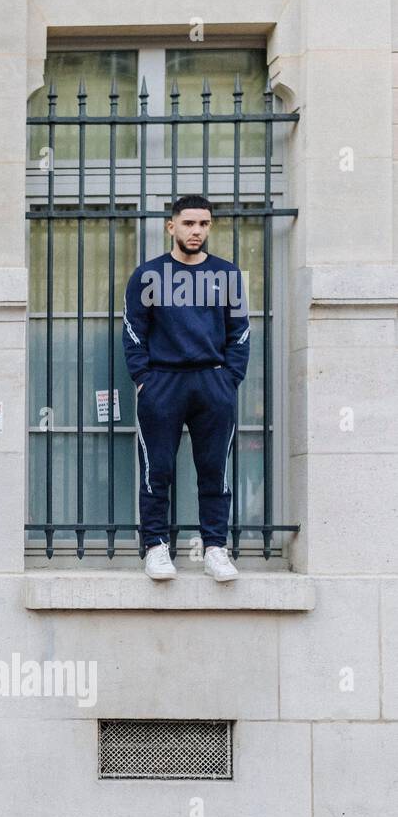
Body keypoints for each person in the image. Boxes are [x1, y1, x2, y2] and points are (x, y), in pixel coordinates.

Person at [123, 195, 250, 582]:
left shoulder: (227, 275)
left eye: (204, 224)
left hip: (213, 382)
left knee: (215, 471)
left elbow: (240, 332)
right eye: (189, 223)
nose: (196, 231)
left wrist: (229, 380)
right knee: (156, 469)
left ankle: (215, 548)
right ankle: (156, 547)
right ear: (171, 226)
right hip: (163, 382)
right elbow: (133, 331)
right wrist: (144, 378)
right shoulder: (148, 276)